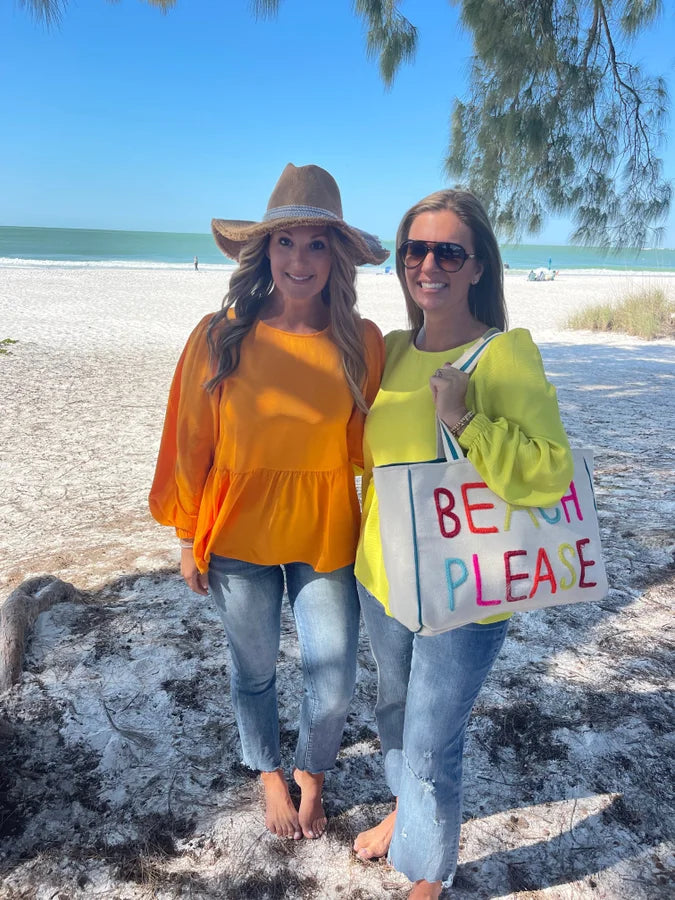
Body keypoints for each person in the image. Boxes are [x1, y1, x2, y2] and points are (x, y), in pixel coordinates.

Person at [149, 163, 387, 842]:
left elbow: (365, 450)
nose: (300, 259)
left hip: (325, 537)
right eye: (285, 243)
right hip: (235, 538)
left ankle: (312, 775)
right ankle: (268, 776)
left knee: (334, 679)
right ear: (264, 251)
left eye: (316, 244)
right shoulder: (219, 335)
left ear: (337, 255)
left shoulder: (360, 342)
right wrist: (188, 536)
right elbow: (191, 443)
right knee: (252, 670)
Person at [352, 189, 573, 898]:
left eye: (449, 251)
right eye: (415, 249)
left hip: (466, 582)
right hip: (379, 574)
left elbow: (547, 471)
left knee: (429, 740)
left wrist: (466, 420)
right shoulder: (385, 351)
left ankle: (427, 873)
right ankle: (402, 812)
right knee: (393, 713)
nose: (429, 264)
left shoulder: (503, 354)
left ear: (477, 266)